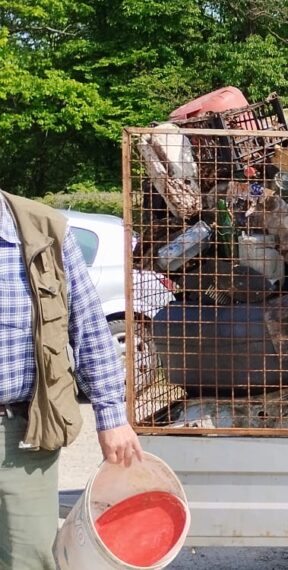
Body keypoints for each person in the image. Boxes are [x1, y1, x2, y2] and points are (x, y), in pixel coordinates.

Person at [0, 191, 144, 569]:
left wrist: (111, 417)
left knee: (29, 559)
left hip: (23, 432)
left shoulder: (43, 230)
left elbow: (90, 328)